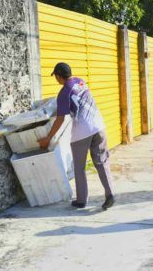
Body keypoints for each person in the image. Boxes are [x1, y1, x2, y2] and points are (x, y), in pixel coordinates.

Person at [38, 62, 115, 210]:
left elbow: (60, 119)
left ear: (59, 76)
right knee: (102, 162)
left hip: (81, 133)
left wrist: (48, 138)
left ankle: (81, 200)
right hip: (99, 126)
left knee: (79, 167)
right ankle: (110, 194)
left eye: (56, 77)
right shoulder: (80, 81)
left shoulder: (63, 93)